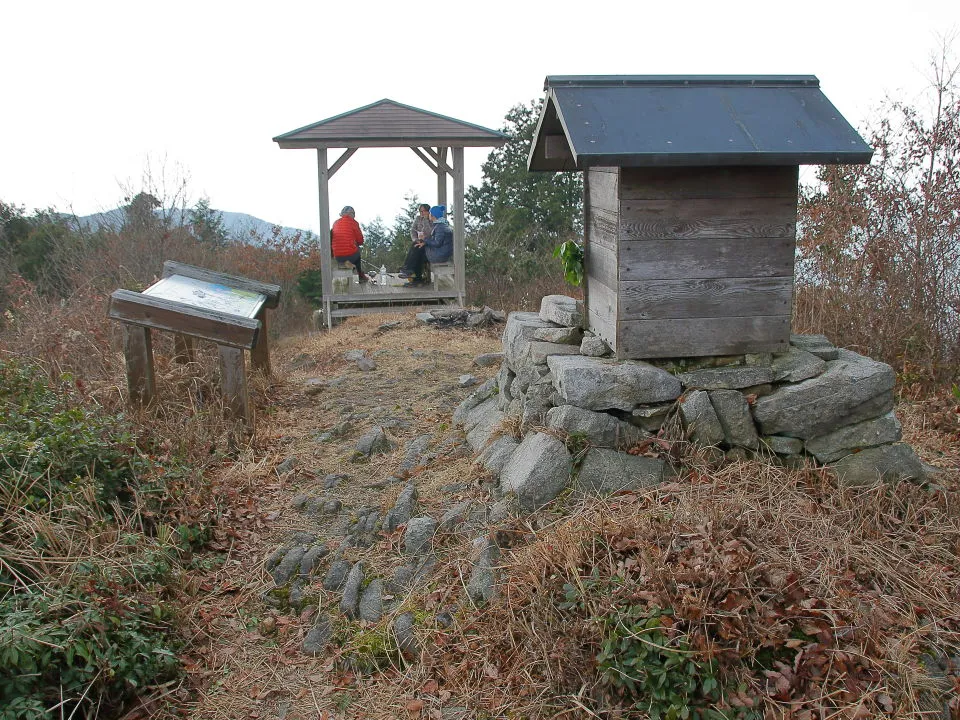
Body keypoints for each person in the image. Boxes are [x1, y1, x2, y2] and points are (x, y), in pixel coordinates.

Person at [331, 205, 368, 283]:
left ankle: (351, 266)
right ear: (352, 214)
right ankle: (361, 275)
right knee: (357, 250)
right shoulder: (354, 223)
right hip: (350, 256)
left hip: (337, 256)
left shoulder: (335, 223)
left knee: (352, 249)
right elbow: (360, 241)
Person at [398, 203, 432, 283]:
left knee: (417, 248)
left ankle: (408, 270)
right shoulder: (417, 218)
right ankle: (412, 273)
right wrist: (415, 239)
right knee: (415, 246)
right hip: (419, 241)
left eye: (423, 211)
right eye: (420, 211)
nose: (422, 213)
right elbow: (413, 230)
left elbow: (430, 232)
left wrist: (426, 220)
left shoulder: (431, 220)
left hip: (428, 244)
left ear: (428, 212)